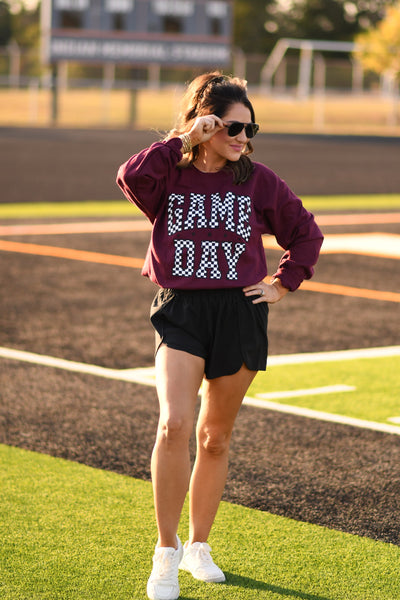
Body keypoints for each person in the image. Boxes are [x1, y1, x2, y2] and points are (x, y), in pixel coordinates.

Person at [117, 72, 323, 600]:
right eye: (232, 126)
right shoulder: (168, 175)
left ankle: (198, 546)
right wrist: (182, 139)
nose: (243, 136)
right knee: (175, 423)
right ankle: (164, 553)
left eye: (251, 127)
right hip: (182, 308)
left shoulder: (259, 181)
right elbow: (130, 177)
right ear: (204, 123)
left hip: (240, 311)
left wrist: (283, 284)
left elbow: (305, 233)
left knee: (214, 437)